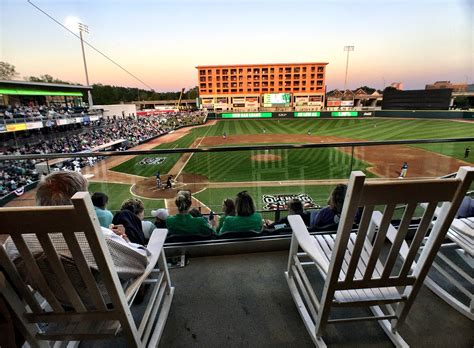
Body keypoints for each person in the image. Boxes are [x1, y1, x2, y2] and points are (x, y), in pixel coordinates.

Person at [3, 171, 150, 308]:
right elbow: (140, 263)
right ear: (80, 200)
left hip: (58, 304)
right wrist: (125, 240)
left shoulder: (12, 243)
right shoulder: (99, 237)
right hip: (104, 301)